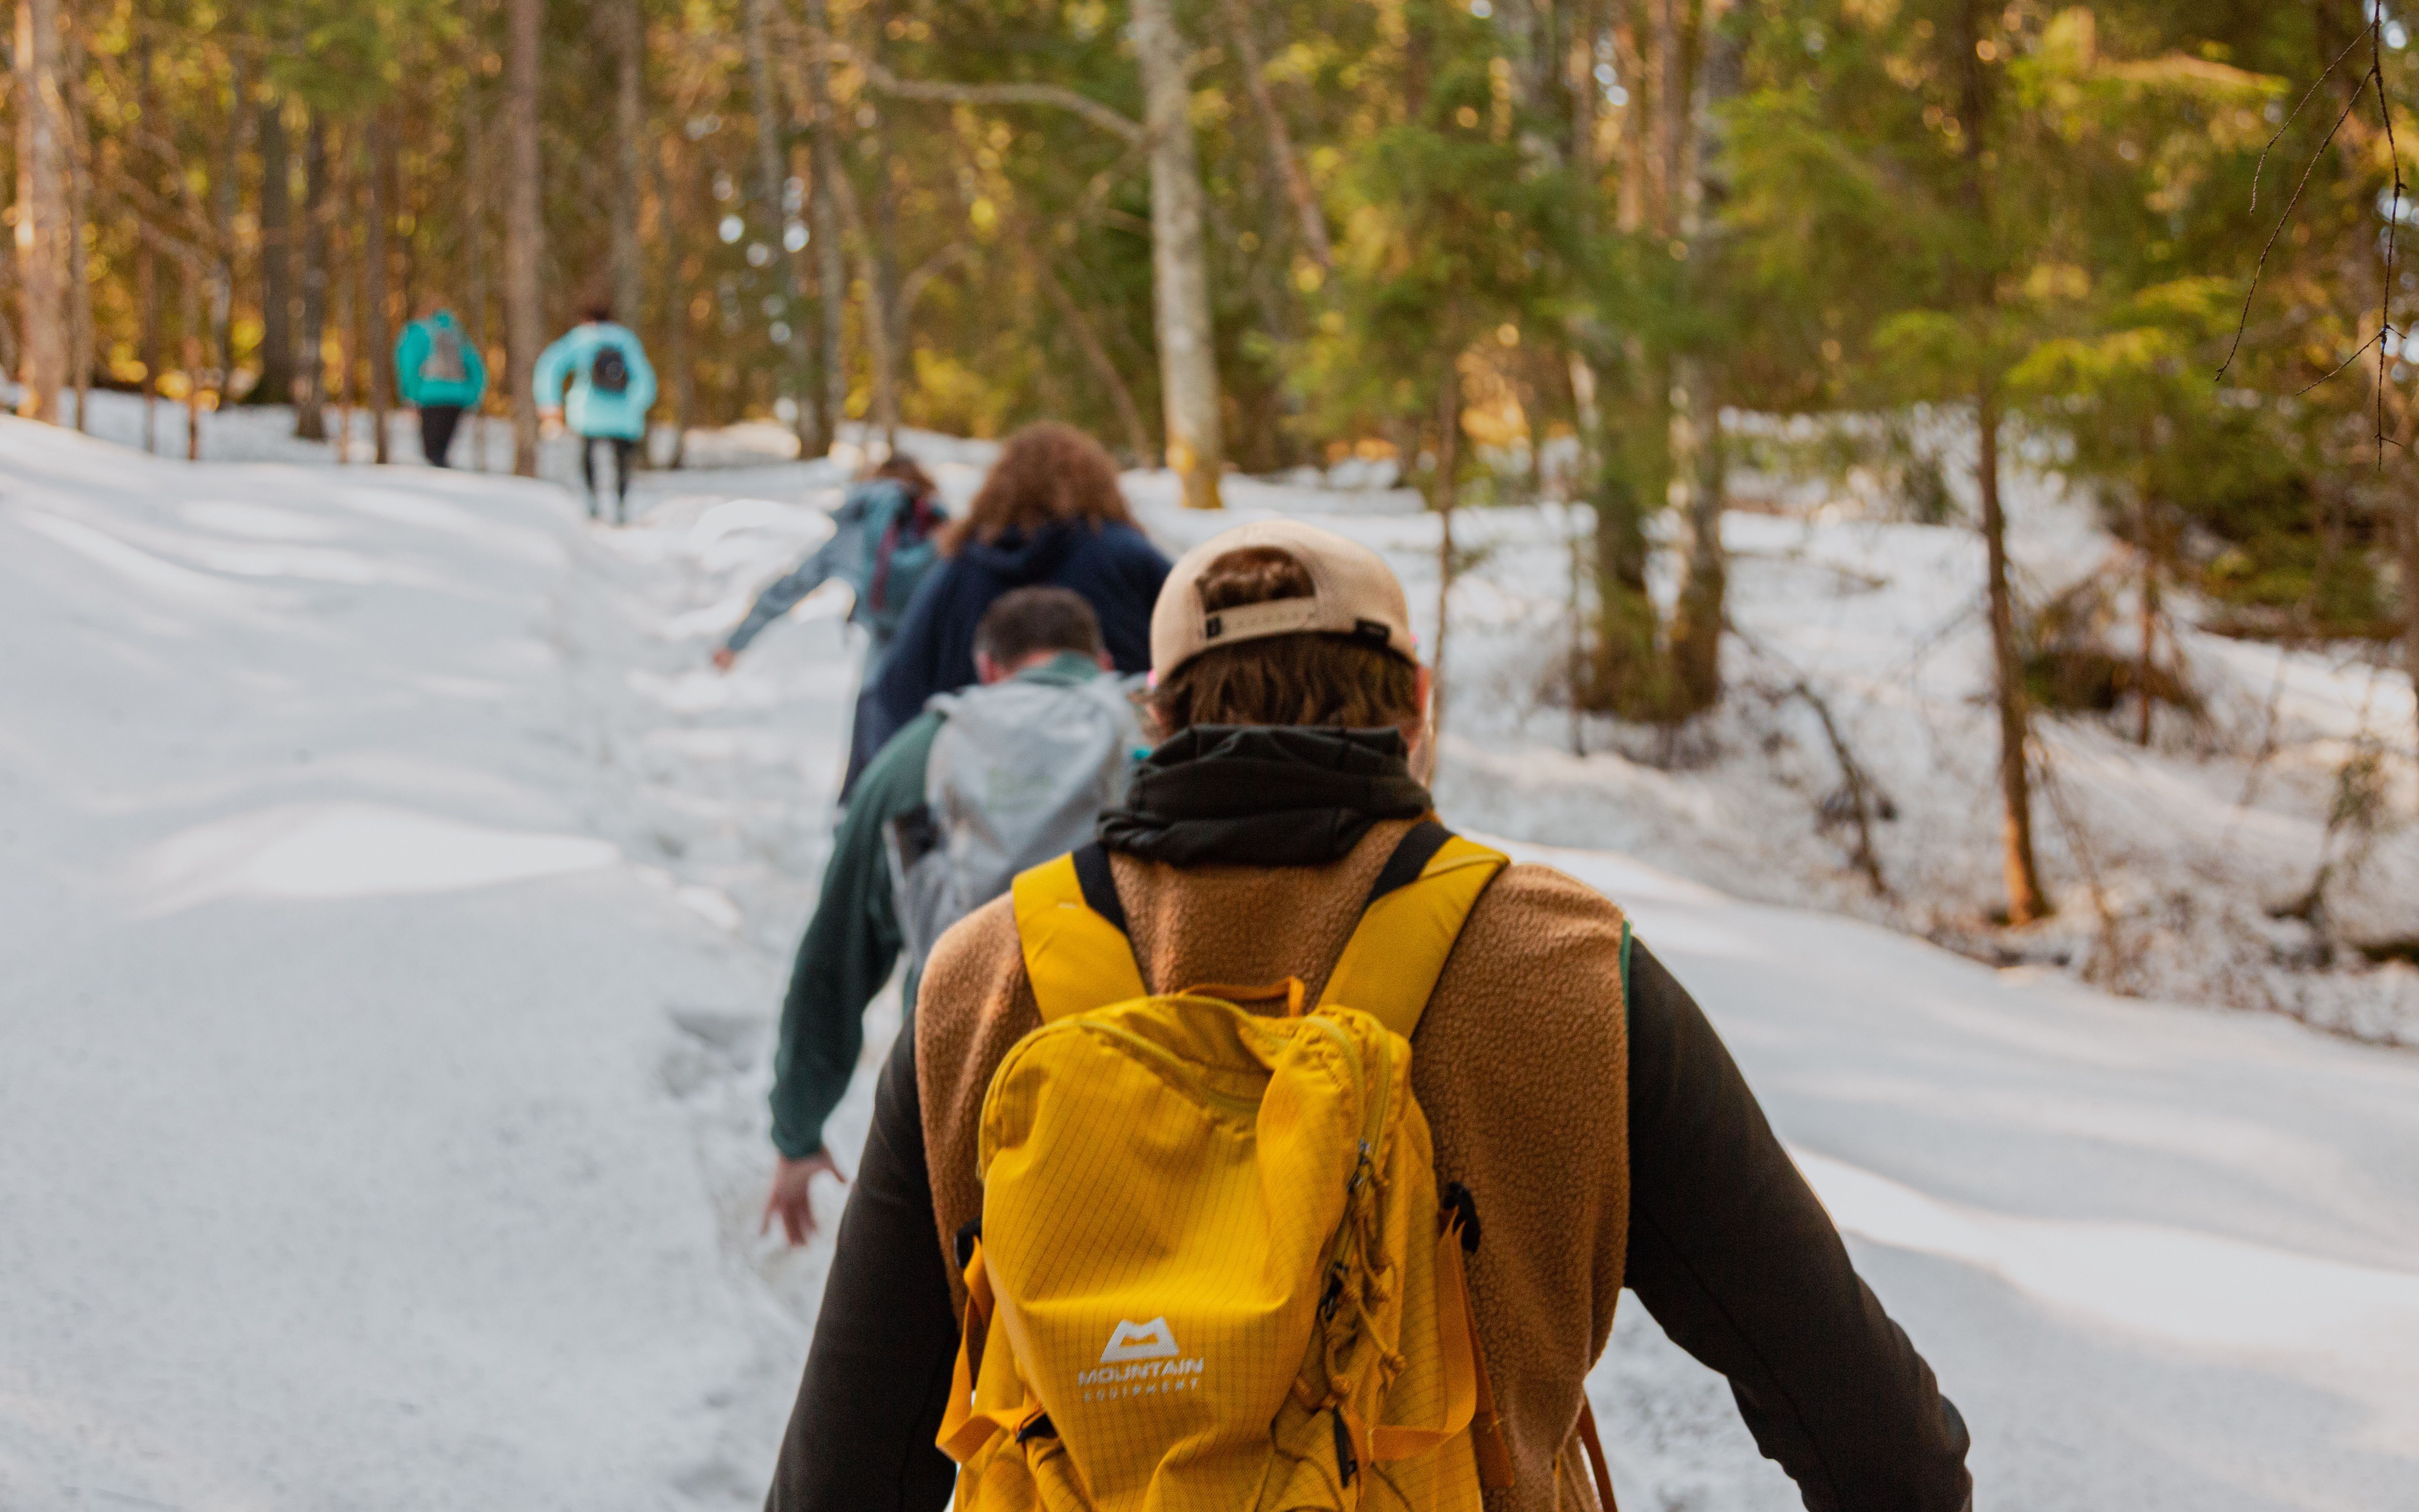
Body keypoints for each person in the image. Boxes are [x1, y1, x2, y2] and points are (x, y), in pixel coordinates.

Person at [763, 521, 1973, 1511]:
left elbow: (841, 1474)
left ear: (1158, 718)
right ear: (1417, 704)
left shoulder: (987, 981)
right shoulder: (1564, 965)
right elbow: (1882, 1447)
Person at [758, 587, 1141, 1248]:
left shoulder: (919, 757)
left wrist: (798, 1130)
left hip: (956, 1096)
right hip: (1135, 1090)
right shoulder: (1150, 740)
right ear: (1101, 660)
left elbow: (835, 958)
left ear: (988, 665)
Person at [858, 421, 1169, 771]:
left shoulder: (960, 569)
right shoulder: (1127, 556)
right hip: (1117, 790)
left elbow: (897, 688)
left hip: (982, 795)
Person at [714, 456, 950, 796]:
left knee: (870, 774)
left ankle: (855, 831)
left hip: (882, 672)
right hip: (939, 669)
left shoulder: (860, 523)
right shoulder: (942, 525)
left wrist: (736, 642)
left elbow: (792, 586)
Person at [532, 302, 658, 523]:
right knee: (621, 462)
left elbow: (550, 365)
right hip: (624, 417)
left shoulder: (582, 338)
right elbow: (646, 380)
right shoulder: (626, 340)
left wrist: (550, 403)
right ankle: (620, 505)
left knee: (587, 457)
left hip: (587, 414)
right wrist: (636, 406)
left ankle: (592, 503)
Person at [392, 305, 488, 469]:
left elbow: (408, 365)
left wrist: (410, 395)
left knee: (431, 453)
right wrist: (472, 399)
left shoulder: (418, 332)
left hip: (430, 396)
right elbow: (477, 369)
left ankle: (441, 486)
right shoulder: (459, 336)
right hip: (458, 398)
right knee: (441, 452)